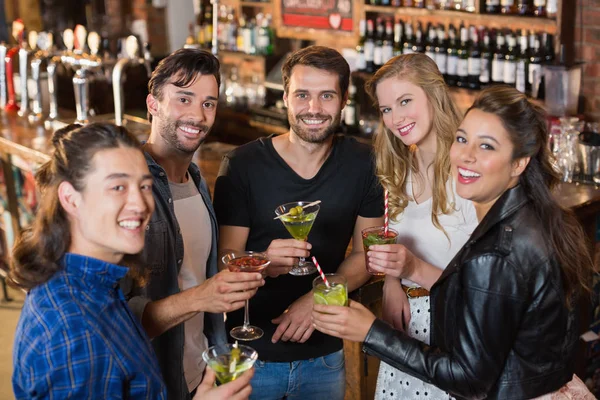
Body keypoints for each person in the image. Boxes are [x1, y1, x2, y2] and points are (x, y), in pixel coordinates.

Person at [312, 86, 596, 399]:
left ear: (519, 163)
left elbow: (469, 381)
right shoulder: (541, 219)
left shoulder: (496, 253)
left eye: (486, 146)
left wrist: (371, 332)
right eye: (462, 139)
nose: (465, 155)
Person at [10, 123, 254, 400]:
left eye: (145, 186)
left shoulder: (96, 285)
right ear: (70, 199)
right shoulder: (73, 330)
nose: (140, 203)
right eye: (118, 187)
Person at [213, 45, 384, 399]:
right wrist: (261, 263)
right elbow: (223, 258)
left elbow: (368, 255)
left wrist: (318, 297)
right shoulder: (243, 165)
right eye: (302, 95)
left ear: (342, 99)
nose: (314, 109)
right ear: (286, 97)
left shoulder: (365, 163)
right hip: (250, 356)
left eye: (326, 96)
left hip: (325, 356)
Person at [121, 48, 264, 399]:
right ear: (153, 104)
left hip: (200, 375)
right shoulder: (127, 188)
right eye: (184, 98)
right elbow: (117, 316)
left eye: (209, 103)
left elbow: (196, 275)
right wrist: (203, 296)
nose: (198, 115)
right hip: (153, 382)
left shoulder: (196, 179)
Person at [363, 54, 479, 399]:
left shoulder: (470, 170)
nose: (396, 119)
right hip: (407, 328)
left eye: (405, 101)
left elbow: (486, 286)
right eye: (386, 110)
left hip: (454, 330)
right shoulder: (399, 166)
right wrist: (392, 283)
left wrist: (413, 269)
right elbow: (394, 244)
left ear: (434, 94)